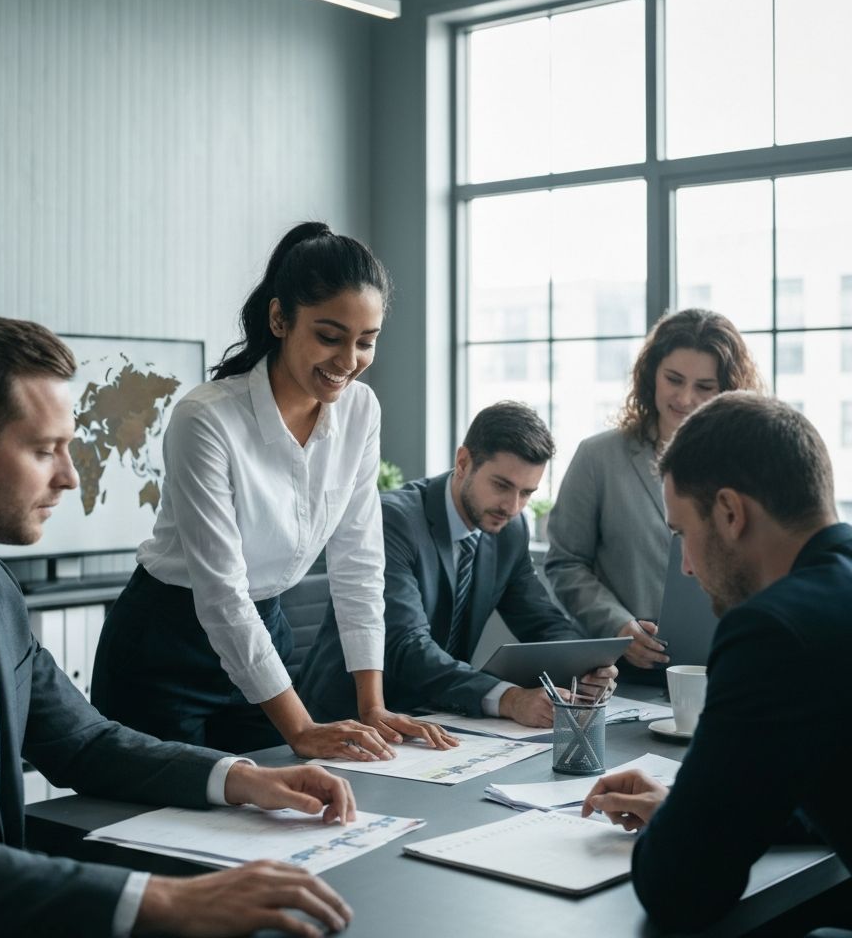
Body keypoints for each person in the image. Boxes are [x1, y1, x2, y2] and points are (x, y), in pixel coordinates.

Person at [0, 313, 359, 938]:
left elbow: (84, 742)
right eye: (43, 449)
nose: (70, 475)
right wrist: (167, 902)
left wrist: (245, 779)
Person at [91, 222, 451, 759]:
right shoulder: (206, 418)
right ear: (280, 318)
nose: (348, 361)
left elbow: (358, 562)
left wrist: (371, 704)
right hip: (166, 648)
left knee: (285, 811)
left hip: (265, 640)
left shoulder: (360, 411)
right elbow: (221, 595)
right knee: (168, 832)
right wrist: (301, 728)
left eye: (366, 342)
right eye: (329, 337)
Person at [580, 392, 852, 933]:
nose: (683, 565)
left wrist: (684, 828)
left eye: (682, 533)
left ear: (729, 513)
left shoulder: (772, 630)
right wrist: (690, 807)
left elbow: (680, 886)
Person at [300, 401, 617, 729]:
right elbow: (407, 646)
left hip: (442, 718)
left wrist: (586, 665)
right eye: (501, 485)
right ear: (463, 462)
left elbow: (540, 621)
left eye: (527, 493)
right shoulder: (392, 520)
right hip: (348, 720)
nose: (512, 506)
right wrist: (509, 699)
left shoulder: (510, 529)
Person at [544, 307, 763, 679]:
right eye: (673, 379)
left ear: (727, 390)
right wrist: (618, 625)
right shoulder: (599, 457)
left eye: (704, 387)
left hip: (730, 665)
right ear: (651, 375)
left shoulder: (752, 466)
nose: (685, 397)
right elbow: (565, 563)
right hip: (624, 672)